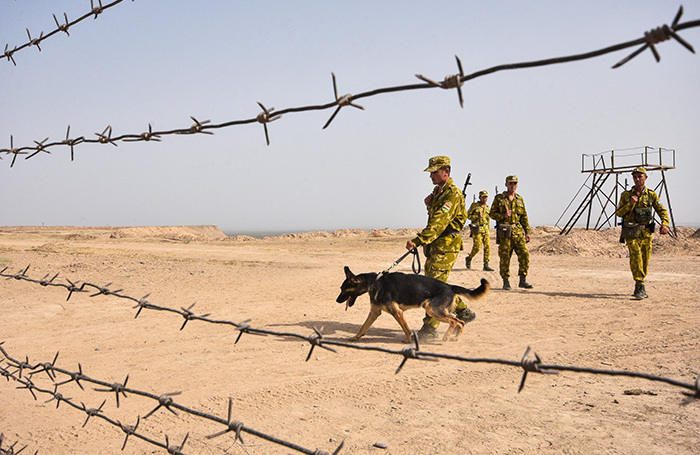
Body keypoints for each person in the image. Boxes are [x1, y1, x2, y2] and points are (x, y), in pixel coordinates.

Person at [405, 155, 477, 341]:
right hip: (436, 245)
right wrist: (429, 206)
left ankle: (429, 329)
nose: (431, 176)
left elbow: (439, 223)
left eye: (434, 172)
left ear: (446, 172)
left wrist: (418, 240)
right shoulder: (438, 193)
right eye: (430, 173)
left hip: (446, 246)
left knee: (434, 291)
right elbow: (435, 218)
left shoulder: (452, 194)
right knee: (436, 286)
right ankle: (464, 312)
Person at [615, 167, 670, 299]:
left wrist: (665, 223)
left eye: (640, 176)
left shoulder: (651, 194)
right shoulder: (626, 195)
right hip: (631, 232)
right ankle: (640, 284)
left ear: (645, 177)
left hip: (646, 233)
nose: (637, 179)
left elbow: (661, 209)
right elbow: (619, 213)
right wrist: (630, 204)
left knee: (645, 259)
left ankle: (639, 284)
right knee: (636, 256)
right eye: (635, 177)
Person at [489, 175, 533, 290]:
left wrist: (527, 231)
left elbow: (524, 217)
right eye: (510, 183)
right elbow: (492, 214)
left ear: (517, 185)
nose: (513, 186)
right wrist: (503, 216)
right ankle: (505, 281)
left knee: (524, 254)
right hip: (505, 232)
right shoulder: (499, 198)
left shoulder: (519, 199)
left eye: (515, 183)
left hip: (517, 232)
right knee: (505, 257)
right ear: (506, 184)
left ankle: (522, 280)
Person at [465, 190, 494, 271]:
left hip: (485, 229)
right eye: (483, 197)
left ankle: (486, 264)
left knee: (487, 247)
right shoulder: (475, 205)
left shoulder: (488, 208)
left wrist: (488, 229)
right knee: (477, 247)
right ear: (479, 197)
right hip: (477, 229)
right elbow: (468, 216)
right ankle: (469, 258)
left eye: (486, 197)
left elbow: (488, 220)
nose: (484, 199)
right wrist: (476, 217)